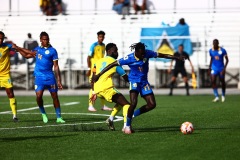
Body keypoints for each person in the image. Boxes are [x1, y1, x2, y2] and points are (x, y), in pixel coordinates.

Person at [93, 42, 184, 134]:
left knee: (152, 104)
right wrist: (99, 74)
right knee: (133, 103)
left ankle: (132, 114)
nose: (143, 55)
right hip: (134, 82)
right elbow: (112, 64)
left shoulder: (147, 53)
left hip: (144, 82)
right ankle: (127, 126)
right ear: (136, 52)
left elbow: (161, 55)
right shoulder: (129, 58)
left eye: (144, 53)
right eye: (141, 53)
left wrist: (176, 57)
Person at [13, 31, 65, 123]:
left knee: (55, 97)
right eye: (44, 39)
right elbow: (27, 55)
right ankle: (43, 114)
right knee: (38, 96)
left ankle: (59, 117)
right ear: (41, 40)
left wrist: (59, 81)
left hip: (50, 78)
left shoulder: (53, 51)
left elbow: (56, 66)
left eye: (47, 39)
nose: (46, 41)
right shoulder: (37, 49)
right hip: (39, 77)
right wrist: (19, 50)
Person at [90, 43, 130, 131]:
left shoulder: (97, 62)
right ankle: (125, 127)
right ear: (109, 51)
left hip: (97, 90)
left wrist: (93, 92)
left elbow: (92, 78)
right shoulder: (114, 63)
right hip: (106, 89)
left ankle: (110, 119)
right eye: (115, 51)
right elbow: (125, 77)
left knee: (120, 101)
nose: (117, 53)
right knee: (127, 104)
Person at [86, 30, 112, 112]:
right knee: (93, 86)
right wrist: (89, 68)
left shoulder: (104, 46)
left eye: (103, 37)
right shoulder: (93, 46)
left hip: (101, 68)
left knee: (102, 86)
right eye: (100, 37)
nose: (101, 38)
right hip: (94, 69)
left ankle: (103, 105)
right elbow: (88, 57)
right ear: (97, 37)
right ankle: (90, 105)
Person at [0, 31, 19, 122]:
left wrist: (16, 48)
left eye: (1, 38)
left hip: (5, 75)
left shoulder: (7, 46)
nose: (0, 40)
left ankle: (14, 115)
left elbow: (15, 47)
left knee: (10, 94)